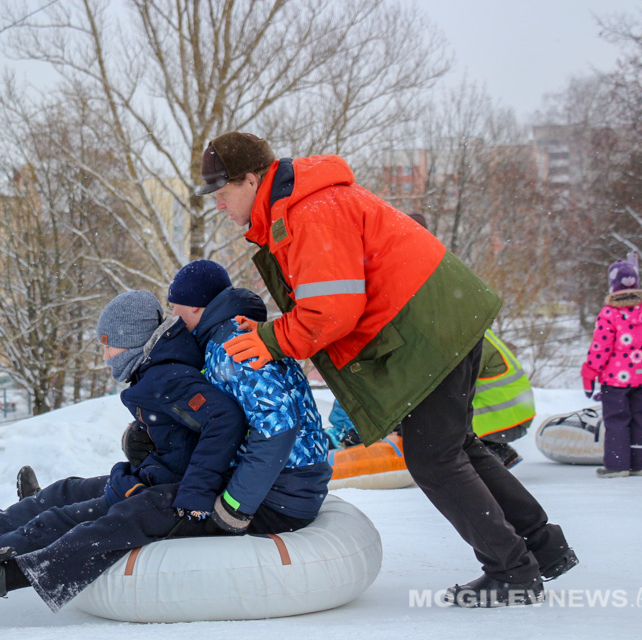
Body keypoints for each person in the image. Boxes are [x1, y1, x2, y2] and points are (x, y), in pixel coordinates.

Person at [195, 131, 577, 607]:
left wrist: (271, 340)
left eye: (223, 192)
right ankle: (542, 547)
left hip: (430, 332)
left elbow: (332, 310)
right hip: (439, 323)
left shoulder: (310, 211)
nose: (219, 205)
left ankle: (513, 572)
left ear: (252, 180)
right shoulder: (304, 204)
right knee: (454, 448)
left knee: (435, 460)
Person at [0, 290, 247, 614]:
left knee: (58, 521)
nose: (105, 355)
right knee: (65, 493)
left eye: (108, 344)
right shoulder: (159, 370)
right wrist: (143, 438)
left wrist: (195, 491)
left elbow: (223, 419)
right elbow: (187, 428)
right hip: (154, 477)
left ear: (134, 340)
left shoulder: (166, 376)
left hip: (162, 488)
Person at [166, 259, 331, 531]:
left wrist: (235, 506)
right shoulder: (229, 337)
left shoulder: (232, 346)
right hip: (287, 483)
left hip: (282, 493)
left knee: (161, 518)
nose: (172, 314)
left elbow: (278, 427)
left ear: (194, 304)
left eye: (174, 305)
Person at [325, 329, 536, 470]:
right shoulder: (474, 328)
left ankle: (483, 452)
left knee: (419, 422)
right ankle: (494, 450)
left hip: (498, 417)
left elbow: (439, 387)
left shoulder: (462, 337)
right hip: (510, 417)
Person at [581, 260, 642, 478]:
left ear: (613, 284)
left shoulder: (610, 313)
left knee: (617, 419)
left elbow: (601, 347)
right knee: (640, 419)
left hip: (616, 379)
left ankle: (618, 465)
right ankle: (640, 464)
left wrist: (589, 372)